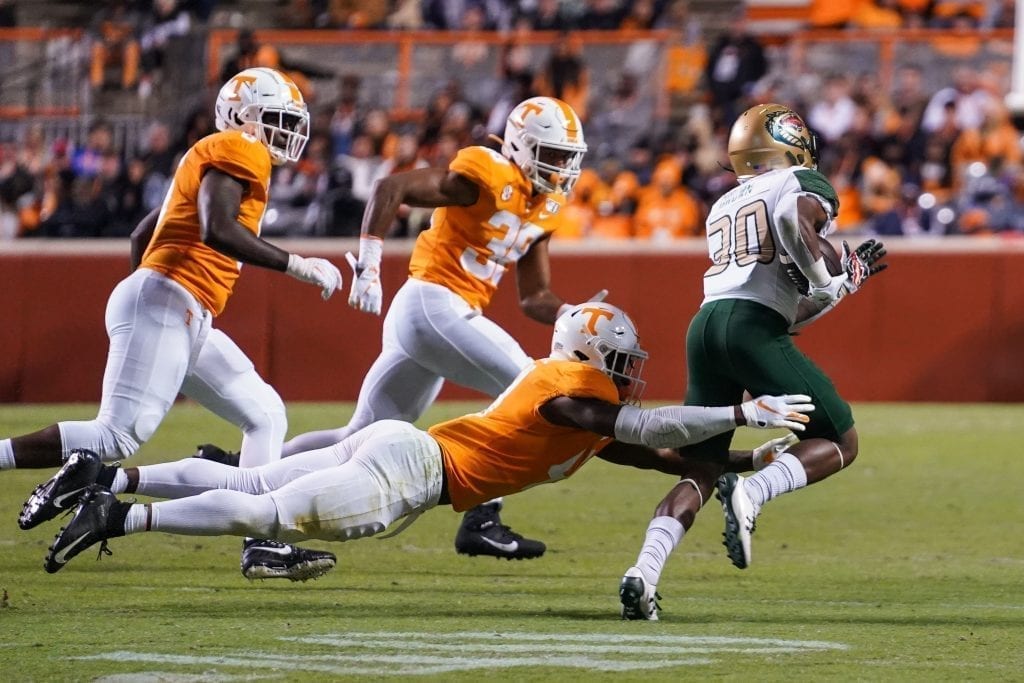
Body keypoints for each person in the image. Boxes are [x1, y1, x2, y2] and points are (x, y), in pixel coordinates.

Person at [35, 302, 816, 575]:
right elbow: (641, 423)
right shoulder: (569, 387)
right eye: (617, 360)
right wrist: (740, 412)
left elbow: (657, 451)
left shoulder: (581, 415)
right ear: (590, 355)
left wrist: (748, 459)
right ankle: (120, 512)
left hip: (404, 450)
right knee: (264, 514)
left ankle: (114, 480)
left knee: (252, 486)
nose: (625, 373)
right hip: (414, 471)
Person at [9, 67, 344, 581]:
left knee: (265, 414)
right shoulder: (240, 148)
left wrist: (149, 289)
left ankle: (262, 543)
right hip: (169, 300)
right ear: (242, 117)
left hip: (176, 306)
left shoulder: (222, 156)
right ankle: (59, 470)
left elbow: (146, 230)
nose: (285, 132)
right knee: (114, 437)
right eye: (275, 119)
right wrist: (297, 265)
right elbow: (216, 227)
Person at [276, 96, 600, 561]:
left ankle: (249, 468)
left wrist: (573, 312)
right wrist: (368, 265)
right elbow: (391, 187)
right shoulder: (488, 173)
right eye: (552, 154)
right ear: (520, 146)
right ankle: (482, 518)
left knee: (360, 436)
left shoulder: (544, 205)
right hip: (433, 301)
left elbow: (533, 297)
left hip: (441, 315)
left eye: (568, 157)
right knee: (531, 386)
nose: (562, 167)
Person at [617, 103, 888, 621]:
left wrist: (839, 286)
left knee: (699, 466)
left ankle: (642, 574)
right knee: (840, 441)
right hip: (749, 326)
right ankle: (754, 491)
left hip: (706, 326)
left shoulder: (723, 204)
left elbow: (782, 312)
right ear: (792, 146)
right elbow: (791, 221)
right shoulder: (802, 181)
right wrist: (828, 278)